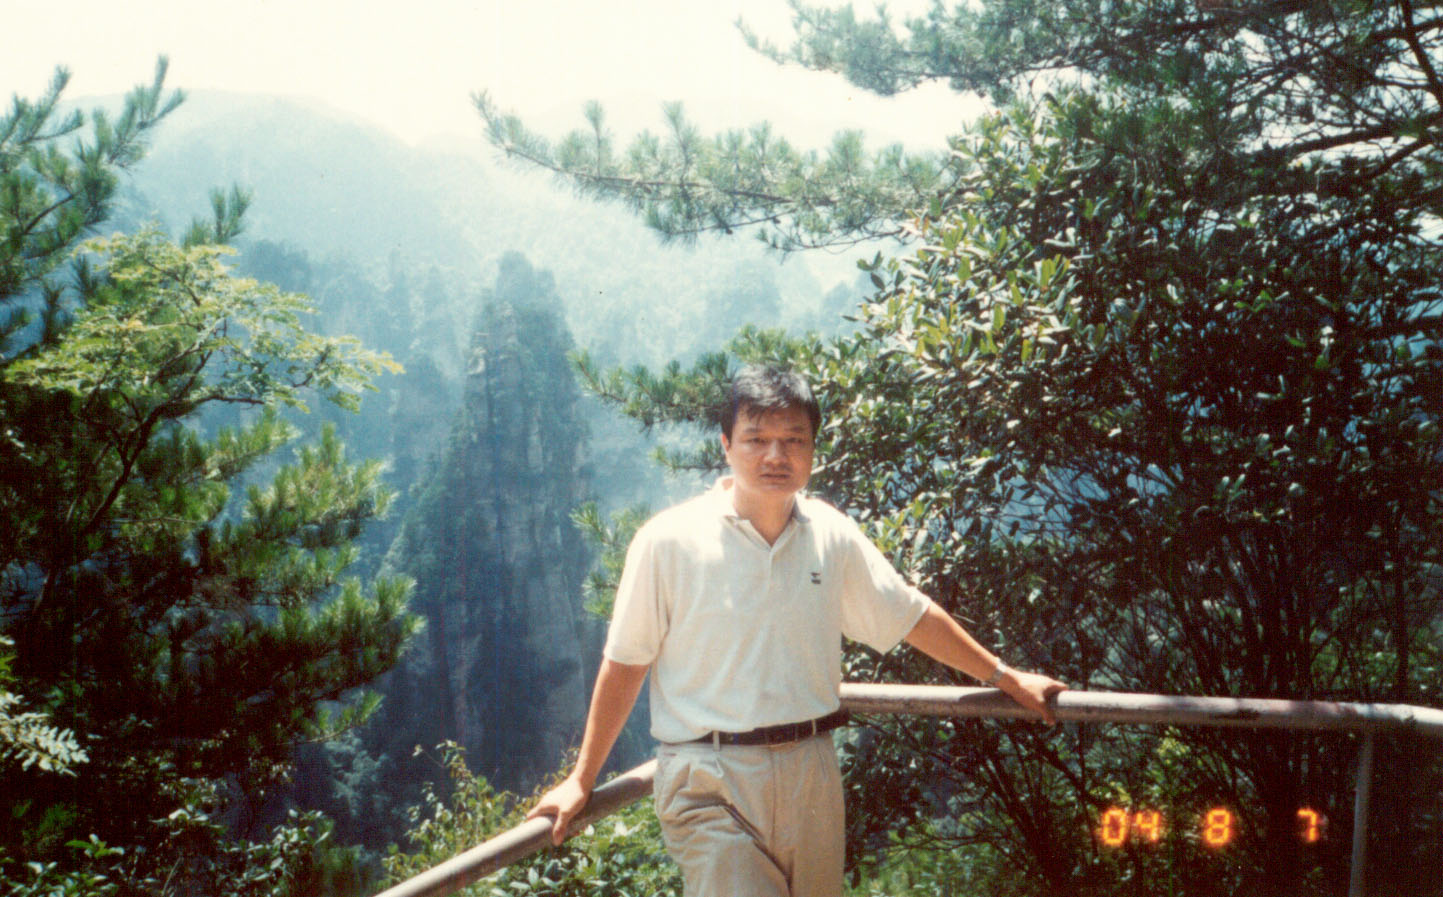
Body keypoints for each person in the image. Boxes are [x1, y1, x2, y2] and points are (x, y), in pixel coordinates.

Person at [528, 364, 1067, 897]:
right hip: (709, 778)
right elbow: (626, 661)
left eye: (793, 440)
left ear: (812, 449)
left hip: (811, 770)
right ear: (726, 445)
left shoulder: (830, 533)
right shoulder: (668, 541)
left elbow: (909, 615)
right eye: (756, 439)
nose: (775, 456)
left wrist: (1005, 677)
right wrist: (582, 779)